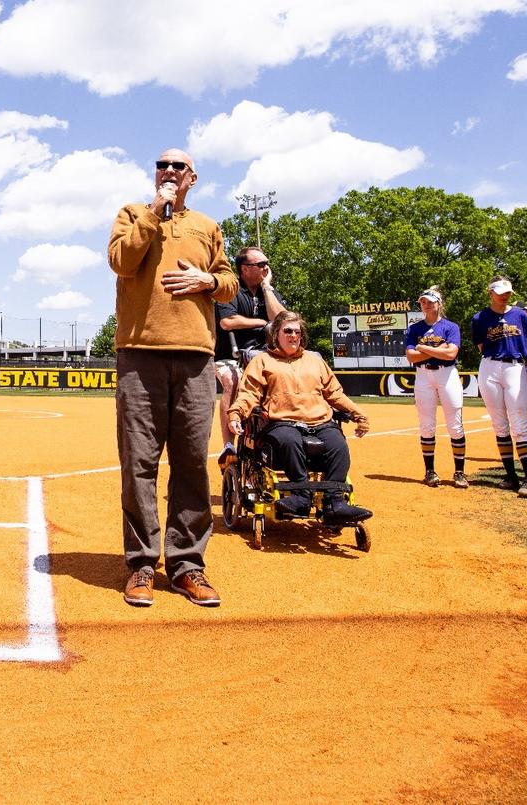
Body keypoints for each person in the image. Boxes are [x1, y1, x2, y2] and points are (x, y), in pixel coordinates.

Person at [108, 149, 237, 609]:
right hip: (140, 356)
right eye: (161, 164)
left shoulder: (207, 226)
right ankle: (143, 563)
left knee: (189, 463)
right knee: (139, 464)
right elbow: (122, 262)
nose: (168, 171)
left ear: (193, 177)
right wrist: (151, 212)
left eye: (177, 166)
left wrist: (208, 281)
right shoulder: (132, 214)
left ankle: (187, 565)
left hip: (196, 356)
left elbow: (230, 282)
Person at [227, 311, 371, 523]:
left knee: (338, 444)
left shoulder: (315, 361)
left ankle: (335, 503)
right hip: (281, 422)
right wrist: (236, 414)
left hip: (320, 421)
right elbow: (249, 394)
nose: (294, 335)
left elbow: (335, 393)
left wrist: (358, 414)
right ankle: (300, 496)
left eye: (297, 332)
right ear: (276, 335)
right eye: (288, 331)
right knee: (290, 440)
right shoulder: (262, 362)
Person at [213, 246, 286, 471]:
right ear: (245, 269)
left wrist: (267, 287)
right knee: (232, 382)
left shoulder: (268, 292)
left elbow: (282, 320)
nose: (266, 268)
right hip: (229, 356)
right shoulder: (230, 290)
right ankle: (228, 446)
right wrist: (263, 324)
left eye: (267, 263)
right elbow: (227, 323)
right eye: (260, 264)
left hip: (264, 355)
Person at [469, 277, 527, 497]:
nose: (504, 295)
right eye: (499, 292)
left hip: (515, 366)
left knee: (519, 424)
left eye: (507, 292)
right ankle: (511, 475)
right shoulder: (480, 318)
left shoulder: (520, 315)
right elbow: (481, 345)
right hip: (489, 365)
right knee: (499, 424)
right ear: (490, 292)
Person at [406, 287, 464, 488]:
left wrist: (422, 347)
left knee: (454, 424)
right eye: (423, 302)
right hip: (423, 375)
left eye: (430, 301)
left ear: (439, 303)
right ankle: (429, 471)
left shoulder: (450, 327)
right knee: (427, 425)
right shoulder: (415, 329)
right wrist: (438, 350)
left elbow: (450, 355)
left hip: (447, 374)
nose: (426, 305)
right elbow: (411, 357)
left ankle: (459, 472)